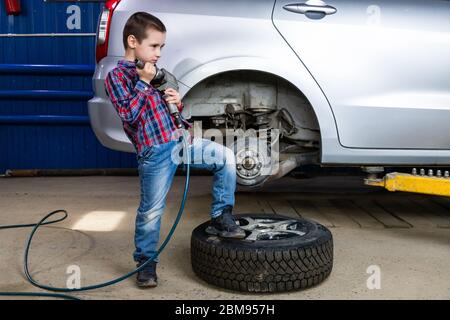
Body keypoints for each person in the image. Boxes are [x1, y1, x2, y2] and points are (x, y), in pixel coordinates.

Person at [105, 12, 245, 288]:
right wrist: (145, 83)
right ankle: (146, 263)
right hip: (154, 152)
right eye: (154, 46)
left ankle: (220, 216)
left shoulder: (156, 74)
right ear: (133, 41)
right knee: (151, 211)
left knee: (225, 158)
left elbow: (165, 114)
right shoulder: (117, 77)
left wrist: (176, 104)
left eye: (162, 47)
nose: (159, 53)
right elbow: (129, 115)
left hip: (181, 142)